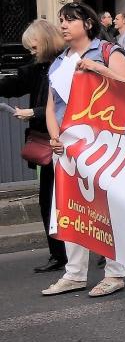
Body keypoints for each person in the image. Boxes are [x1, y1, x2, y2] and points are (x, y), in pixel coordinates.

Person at [43, 1, 125, 298]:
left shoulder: (107, 52)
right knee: (70, 207)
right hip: (68, 145)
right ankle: (74, 273)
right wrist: (55, 136)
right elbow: (52, 104)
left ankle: (114, 272)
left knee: (106, 206)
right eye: (61, 20)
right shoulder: (60, 61)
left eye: (70, 19)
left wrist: (97, 68)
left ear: (89, 24)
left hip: (102, 142)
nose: (64, 25)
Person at [1, 19, 66, 273]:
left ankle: (67, 255)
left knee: (56, 200)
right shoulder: (40, 67)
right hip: (51, 142)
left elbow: (65, 107)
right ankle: (59, 254)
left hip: (64, 142)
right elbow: (14, 83)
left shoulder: (64, 65)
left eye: (33, 46)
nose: (30, 51)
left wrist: (33, 112)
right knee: (48, 201)